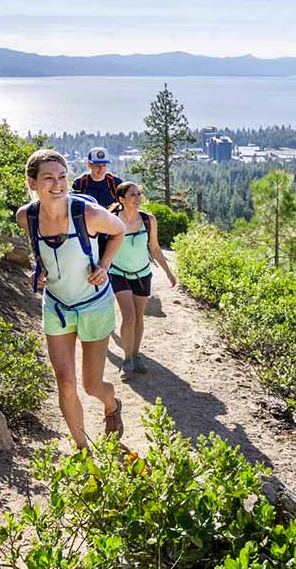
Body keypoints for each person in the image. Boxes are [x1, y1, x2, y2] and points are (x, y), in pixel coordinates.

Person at [16, 149, 125, 448]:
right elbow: (40, 251)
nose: (57, 184)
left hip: (94, 305)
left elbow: (119, 230)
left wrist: (104, 266)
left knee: (92, 386)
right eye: (48, 178)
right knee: (65, 382)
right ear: (32, 182)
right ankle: (82, 451)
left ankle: (112, 403)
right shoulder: (26, 216)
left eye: (62, 177)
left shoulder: (87, 213)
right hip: (56, 306)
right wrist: (38, 270)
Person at [109, 182, 176, 381]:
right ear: (121, 199)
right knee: (128, 316)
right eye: (132, 194)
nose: (137, 197)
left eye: (139, 194)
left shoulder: (148, 220)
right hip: (118, 273)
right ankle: (127, 359)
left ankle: (136, 355)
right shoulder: (112, 221)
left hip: (142, 274)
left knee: (139, 317)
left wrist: (168, 273)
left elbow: (154, 248)